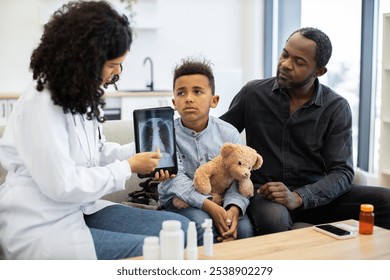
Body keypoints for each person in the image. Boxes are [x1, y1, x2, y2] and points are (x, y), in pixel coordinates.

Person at [0, 1, 189, 260]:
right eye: (112, 65)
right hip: (42, 222)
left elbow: (95, 154)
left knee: (185, 229)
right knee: (159, 252)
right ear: (85, 59)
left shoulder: (81, 93)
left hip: (80, 209)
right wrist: (129, 167)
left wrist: (143, 150)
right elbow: (62, 185)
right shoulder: (40, 102)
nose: (117, 73)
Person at [220, 27, 390, 235]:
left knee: (386, 201)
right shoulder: (253, 93)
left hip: (316, 196)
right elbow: (220, 136)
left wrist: (300, 197)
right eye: (285, 54)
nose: (285, 64)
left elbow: (343, 172)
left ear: (319, 71)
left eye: (299, 62)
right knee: (274, 219)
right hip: (267, 194)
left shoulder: (336, 107)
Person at [158, 57, 253, 244]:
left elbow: (240, 177)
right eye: (181, 93)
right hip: (179, 201)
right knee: (203, 224)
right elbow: (174, 180)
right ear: (174, 102)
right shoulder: (166, 133)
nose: (189, 98)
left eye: (198, 91)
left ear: (214, 100)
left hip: (223, 200)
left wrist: (233, 208)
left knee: (243, 229)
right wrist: (208, 205)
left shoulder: (229, 133)